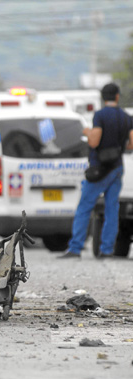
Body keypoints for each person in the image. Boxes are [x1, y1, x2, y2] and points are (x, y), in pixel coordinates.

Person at [59, 83, 133, 259]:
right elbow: (131, 144)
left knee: (85, 207)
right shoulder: (126, 117)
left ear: (102, 97)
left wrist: (87, 131)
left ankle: (75, 247)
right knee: (112, 209)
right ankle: (107, 250)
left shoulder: (100, 115)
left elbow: (94, 141)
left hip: (99, 169)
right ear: (117, 96)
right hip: (117, 167)